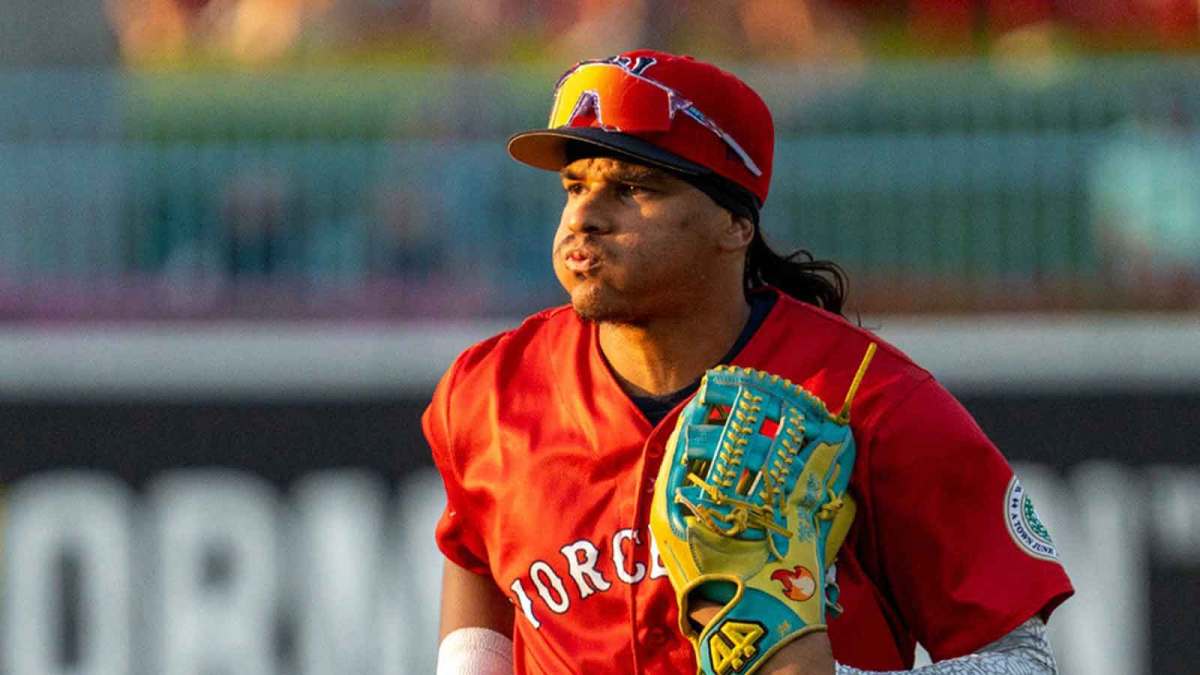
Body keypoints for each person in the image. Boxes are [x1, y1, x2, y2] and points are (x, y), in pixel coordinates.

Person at [426, 50, 1073, 675]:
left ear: (735, 225)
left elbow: (1023, 660)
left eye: (632, 188)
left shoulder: (862, 397)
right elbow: (476, 560)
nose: (585, 216)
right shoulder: (490, 389)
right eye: (575, 185)